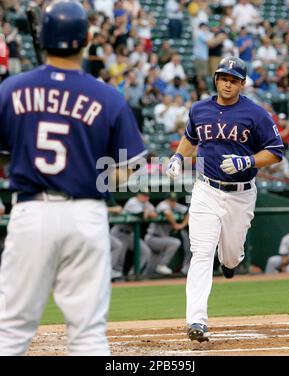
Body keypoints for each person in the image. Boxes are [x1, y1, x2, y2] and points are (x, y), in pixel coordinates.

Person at [0, 0, 146, 356]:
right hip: (86, 214)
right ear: (86, 40)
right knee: (88, 335)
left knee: (10, 330)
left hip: (31, 211)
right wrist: (89, 174)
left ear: (43, 37)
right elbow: (130, 169)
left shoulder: (11, 90)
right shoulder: (108, 97)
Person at [166, 56, 284, 342]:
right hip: (205, 189)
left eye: (234, 79)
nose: (228, 83)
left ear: (242, 84)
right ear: (216, 79)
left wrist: (247, 161)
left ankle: (230, 261)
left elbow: (276, 151)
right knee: (201, 253)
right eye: (223, 77)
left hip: (240, 195)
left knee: (229, 254)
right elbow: (191, 138)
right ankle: (196, 320)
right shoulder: (199, 109)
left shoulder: (255, 114)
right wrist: (179, 156)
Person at [110, 190, 157, 277]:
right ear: (138, 195)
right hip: (120, 232)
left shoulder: (146, 203)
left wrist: (148, 212)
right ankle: (115, 278)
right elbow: (141, 215)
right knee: (119, 259)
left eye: (147, 196)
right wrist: (147, 212)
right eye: (143, 195)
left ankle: (134, 274)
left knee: (145, 251)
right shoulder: (132, 202)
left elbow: (155, 214)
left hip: (130, 234)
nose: (146, 197)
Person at [145, 192, 190, 275]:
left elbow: (189, 211)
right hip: (153, 238)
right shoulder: (163, 204)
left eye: (174, 201)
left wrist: (182, 225)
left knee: (151, 267)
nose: (172, 203)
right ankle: (162, 265)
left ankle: (143, 279)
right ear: (166, 200)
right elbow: (167, 213)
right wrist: (175, 225)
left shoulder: (175, 205)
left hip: (161, 239)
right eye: (170, 201)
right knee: (175, 243)